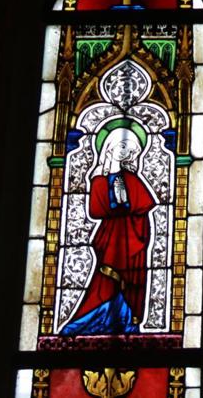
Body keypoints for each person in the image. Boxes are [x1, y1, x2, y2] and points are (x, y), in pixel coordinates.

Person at [61, 128, 156, 335]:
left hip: (131, 239)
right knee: (104, 282)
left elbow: (143, 206)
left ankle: (127, 322)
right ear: (109, 147)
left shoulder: (131, 178)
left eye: (130, 150)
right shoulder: (98, 178)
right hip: (110, 237)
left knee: (126, 283)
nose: (125, 152)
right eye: (122, 146)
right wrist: (112, 194)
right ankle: (88, 323)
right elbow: (95, 210)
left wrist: (125, 201)